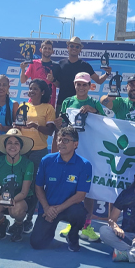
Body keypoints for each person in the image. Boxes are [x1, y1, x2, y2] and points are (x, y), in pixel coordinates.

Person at [55, 72, 106, 242]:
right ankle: (72, 222)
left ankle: (87, 225)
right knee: (71, 187)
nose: (82, 87)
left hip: (90, 150)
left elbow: (106, 125)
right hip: (71, 151)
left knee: (88, 190)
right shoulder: (68, 101)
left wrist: (93, 111)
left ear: (90, 86)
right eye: (79, 84)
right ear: (74, 84)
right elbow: (62, 124)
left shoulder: (93, 102)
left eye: (85, 84)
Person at [30, 126, 92, 252]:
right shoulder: (46, 160)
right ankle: (49, 231)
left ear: (76, 144)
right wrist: (47, 208)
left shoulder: (85, 165)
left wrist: (57, 210)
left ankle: (73, 235)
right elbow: (38, 187)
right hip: (48, 208)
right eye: (59, 140)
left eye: (66, 140)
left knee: (80, 213)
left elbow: (81, 196)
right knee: (37, 244)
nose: (61, 143)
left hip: (68, 208)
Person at [15, 78, 56, 234]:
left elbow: (50, 130)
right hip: (23, 150)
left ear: (43, 92)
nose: (31, 91)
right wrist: (16, 126)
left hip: (39, 151)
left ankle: (29, 219)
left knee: (34, 186)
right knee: (21, 184)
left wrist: (36, 126)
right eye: (30, 88)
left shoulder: (48, 108)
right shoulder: (23, 106)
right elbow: (18, 126)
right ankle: (18, 218)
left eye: (35, 89)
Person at [0, 128, 35, 242]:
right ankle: (4, 222)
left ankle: (19, 224)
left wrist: (12, 200)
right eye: (9, 143)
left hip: (21, 199)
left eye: (16, 143)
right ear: (5, 145)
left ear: (21, 147)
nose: (13, 146)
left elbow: (24, 192)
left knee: (16, 210)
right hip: (2, 197)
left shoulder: (28, 164)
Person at [51, 36, 110, 113]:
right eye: (72, 46)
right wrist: (53, 80)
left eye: (77, 46)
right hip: (62, 103)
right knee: (60, 125)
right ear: (68, 47)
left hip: (81, 104)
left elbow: (99, 80)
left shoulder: (85, 65)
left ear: (80, 50)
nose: (74, 48)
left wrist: (107, 73)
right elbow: (59, 85)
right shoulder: (60, 64)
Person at [20, 39, 58, 108]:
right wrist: (23, 69)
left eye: (49, 48)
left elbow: (59, 85)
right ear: (40, 50)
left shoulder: (56, 66)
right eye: (45, 48)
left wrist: (53, 80)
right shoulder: (34, 63)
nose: (47, 50)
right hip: (34, 101)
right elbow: (23, 80)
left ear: (52, 51)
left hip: (49, 103)